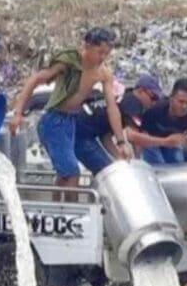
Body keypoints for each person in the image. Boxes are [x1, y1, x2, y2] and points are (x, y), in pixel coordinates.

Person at [9, 27, 129, 192]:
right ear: (87, 46)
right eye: (99, 52)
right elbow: (35, 79)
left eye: (106, 54)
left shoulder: (103, 73)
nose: (102, 58)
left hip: (72, 122)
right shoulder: (69, 62)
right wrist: (18, 113)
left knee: (65, 173)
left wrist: (121, 142)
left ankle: (58, 211)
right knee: (71, 172)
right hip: (54, 121)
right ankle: (68, 212)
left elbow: (112, 108)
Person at [72, 74, 179, 175]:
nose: (154, 103)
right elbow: (133, 136)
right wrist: (165, 142)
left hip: (80, 128)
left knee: (111, 168)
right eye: (153, 98)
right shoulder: (133, 103)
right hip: (81, 135)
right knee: (107, 172)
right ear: (141, 91)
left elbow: (105, 135)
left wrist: (119, 157)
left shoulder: (122, 99)